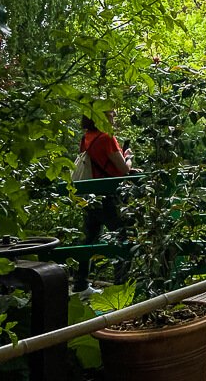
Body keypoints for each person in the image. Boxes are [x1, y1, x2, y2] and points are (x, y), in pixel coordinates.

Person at [73, 111, 135, 294]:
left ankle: (80, 284)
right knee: (125, 235)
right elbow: (124, 170)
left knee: (89, 238)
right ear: (99, 116)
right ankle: (121, 286)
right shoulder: (107, 138)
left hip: (91, 195)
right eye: (110, 115)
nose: (113, 118)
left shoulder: (87, 138)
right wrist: (129, 157)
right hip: (108, 195)